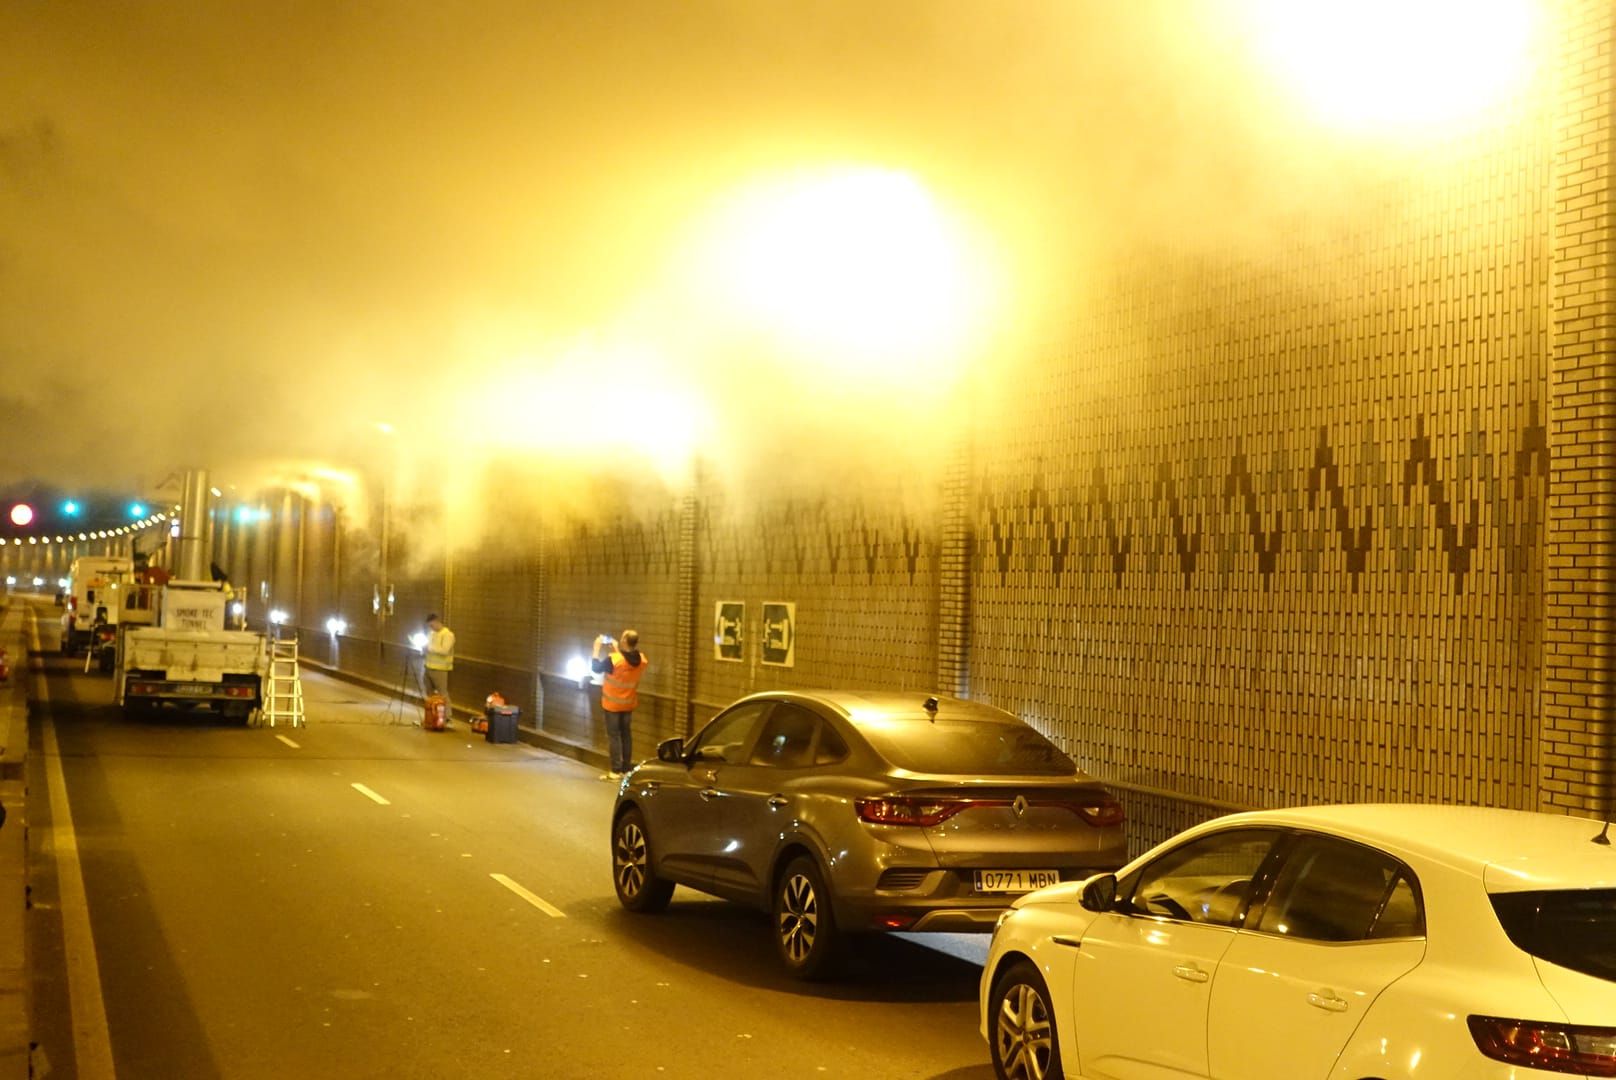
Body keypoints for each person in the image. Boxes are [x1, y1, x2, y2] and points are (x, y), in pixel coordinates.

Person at [592, 629, 647, 780]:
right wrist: (617, 649)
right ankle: (626, 769)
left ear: (624, 641)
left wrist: (596, 648)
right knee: (626, 735)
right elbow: (627, 662)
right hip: (628, 704)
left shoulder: (613, 660)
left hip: (612, 705)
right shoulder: (641, 659)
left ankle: (615, 771)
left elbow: (595, 669)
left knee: (614, 736)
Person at [423, 614, 456, 715]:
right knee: (429, 693)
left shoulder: (448, 635)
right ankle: (432, 714)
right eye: (429, 626)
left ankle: (447, 716)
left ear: (437, 622)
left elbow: (445, 650)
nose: (431, 628)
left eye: (432, 625)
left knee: (442, 694)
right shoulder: (431, 634)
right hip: (428, 667)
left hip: (440, 669)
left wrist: (429, 648)